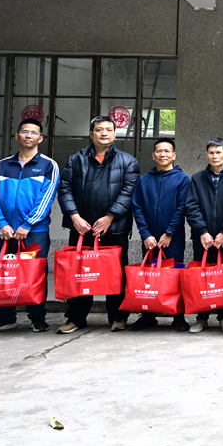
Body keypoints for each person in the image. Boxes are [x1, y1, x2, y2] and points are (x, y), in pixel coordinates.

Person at [56, 116, 140, 334]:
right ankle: (76, 317)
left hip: (114, 228)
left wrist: (110, 216)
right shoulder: (76, 160)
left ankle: (118, 316)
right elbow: (64, 189)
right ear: (91, 133)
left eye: (109, 130)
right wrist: (75, 217)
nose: (104, 133)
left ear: (114, 134)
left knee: (116, 274)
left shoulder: (128, 161)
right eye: (99, 129)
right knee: (80, 273)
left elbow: (128, 191)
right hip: (81, 229)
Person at [0, 118, 59, 334]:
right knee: (4, 273)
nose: (28, 135)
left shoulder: (48, 165)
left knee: (35, 274)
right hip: (4, 231)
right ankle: (5, 317)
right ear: (17, 136)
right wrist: (1, 223)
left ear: (40, 138)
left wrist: (28, 224)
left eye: (33, 132)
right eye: (24, 131)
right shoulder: (3, 165)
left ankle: (37, 317)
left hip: (35, 232)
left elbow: (46, 198)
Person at [129, 138, 191, 331]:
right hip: (149, 239)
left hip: (173, 239)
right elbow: (137, 207)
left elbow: (182, 208)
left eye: (167, 151)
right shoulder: (144, 180)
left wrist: (169, 233)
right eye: (159, 151)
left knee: (174, 277)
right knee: (148, 278)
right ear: (153, 155)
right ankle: (148, 316)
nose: (163, 154)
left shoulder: (183, 179)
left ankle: (178, 316)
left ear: (174, 155)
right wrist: (145, 234)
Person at [184, 138, 223, 333]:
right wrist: (202, 232)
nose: (215, 156)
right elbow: (191, 207)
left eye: (219, 152)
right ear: (207, 155)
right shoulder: (197, 178)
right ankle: (202, 317)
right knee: (202, 276)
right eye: (212, 153)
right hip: (202, 238)